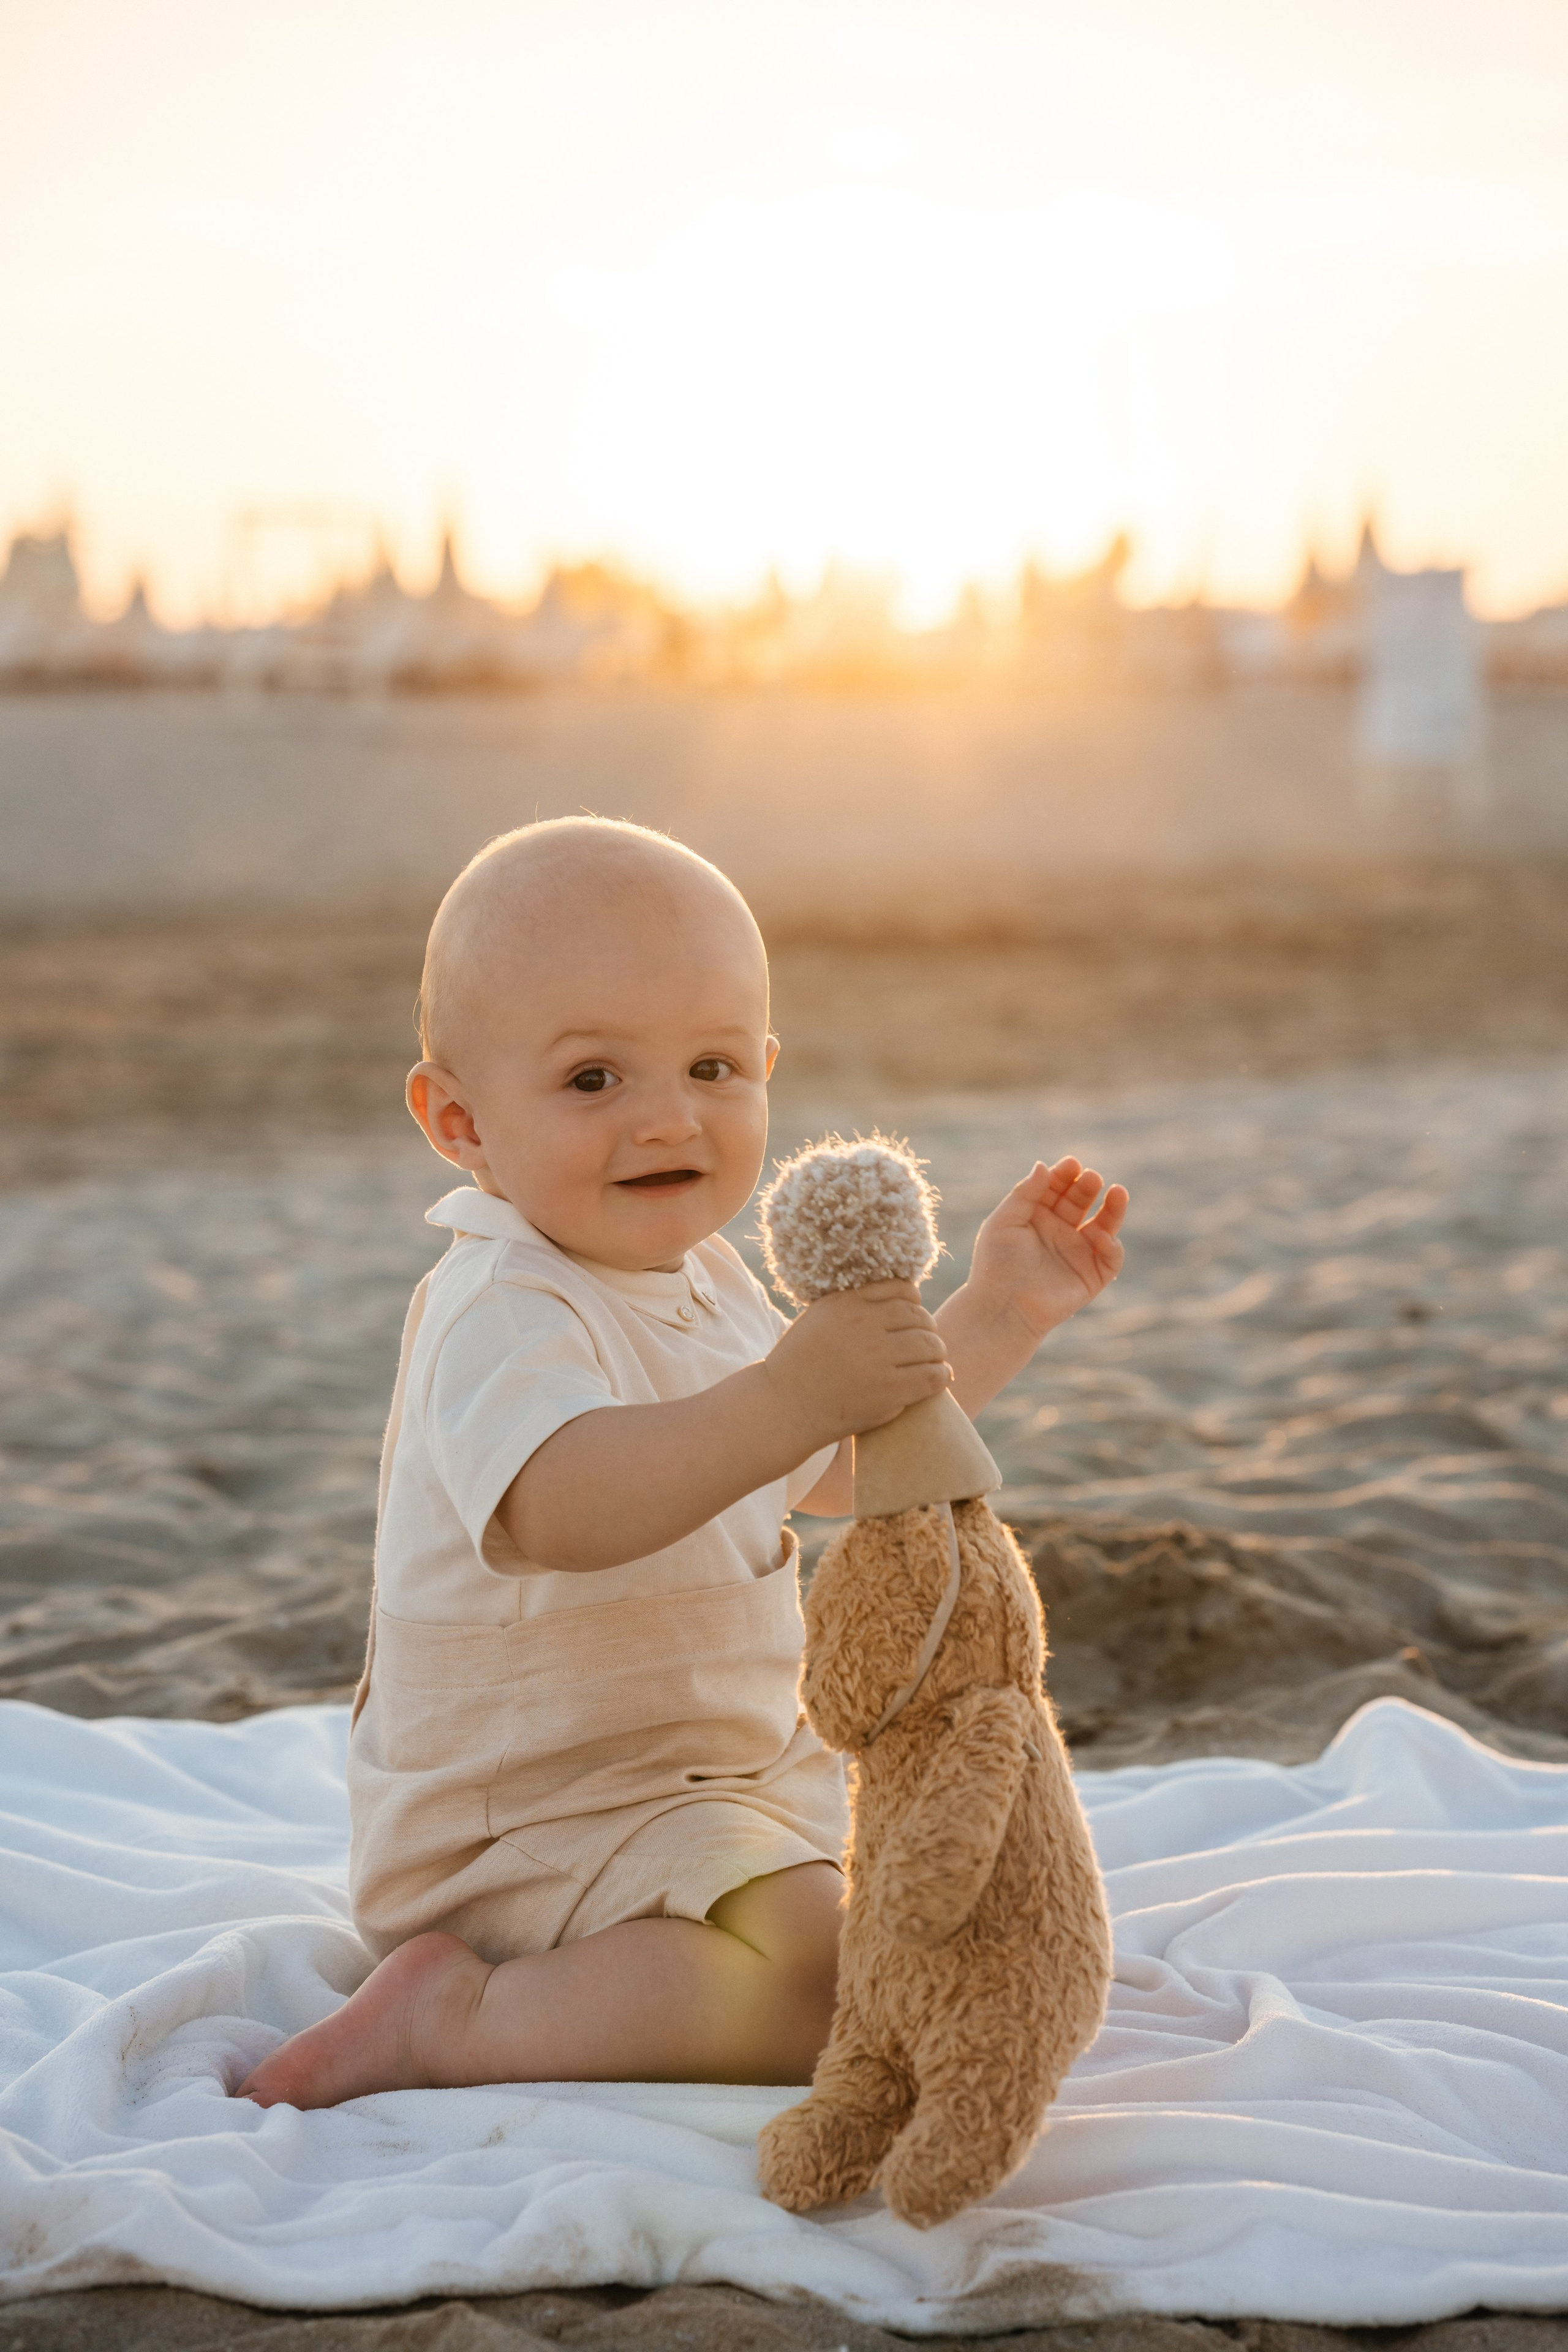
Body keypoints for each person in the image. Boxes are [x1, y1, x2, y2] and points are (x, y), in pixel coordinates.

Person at [239, 816, 1127, 2109]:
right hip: (529, 1820)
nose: (666, 1118)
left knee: (949, 1931)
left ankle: (723, 1936)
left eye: (711, 1067)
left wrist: (999, 1313)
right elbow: (569, 1505)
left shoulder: (707, 1278)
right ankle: (452, 2021)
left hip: (715, 1789)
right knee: (836, 2000)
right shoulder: (503, 1305)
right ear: (459, 1120)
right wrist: (782, 1394)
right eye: (593, 1078)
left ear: (766, 1069)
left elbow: (826, 1467)